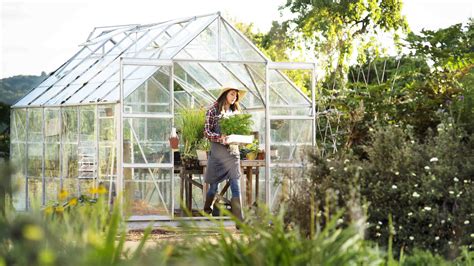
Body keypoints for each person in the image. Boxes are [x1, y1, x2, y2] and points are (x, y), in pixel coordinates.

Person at [203, 87, 247, 224]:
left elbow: (241, 131)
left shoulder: (236, 112)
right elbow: (207, 132)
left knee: (235, 183)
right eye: (232, 94)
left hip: (233, 153)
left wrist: (242, 140)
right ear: (225, 94)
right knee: (214, 187)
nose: (235, 97)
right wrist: (219, 137)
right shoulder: (213, 110)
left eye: (236, 95)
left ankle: (240, 220)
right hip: (217, 155)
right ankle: (207, 208)